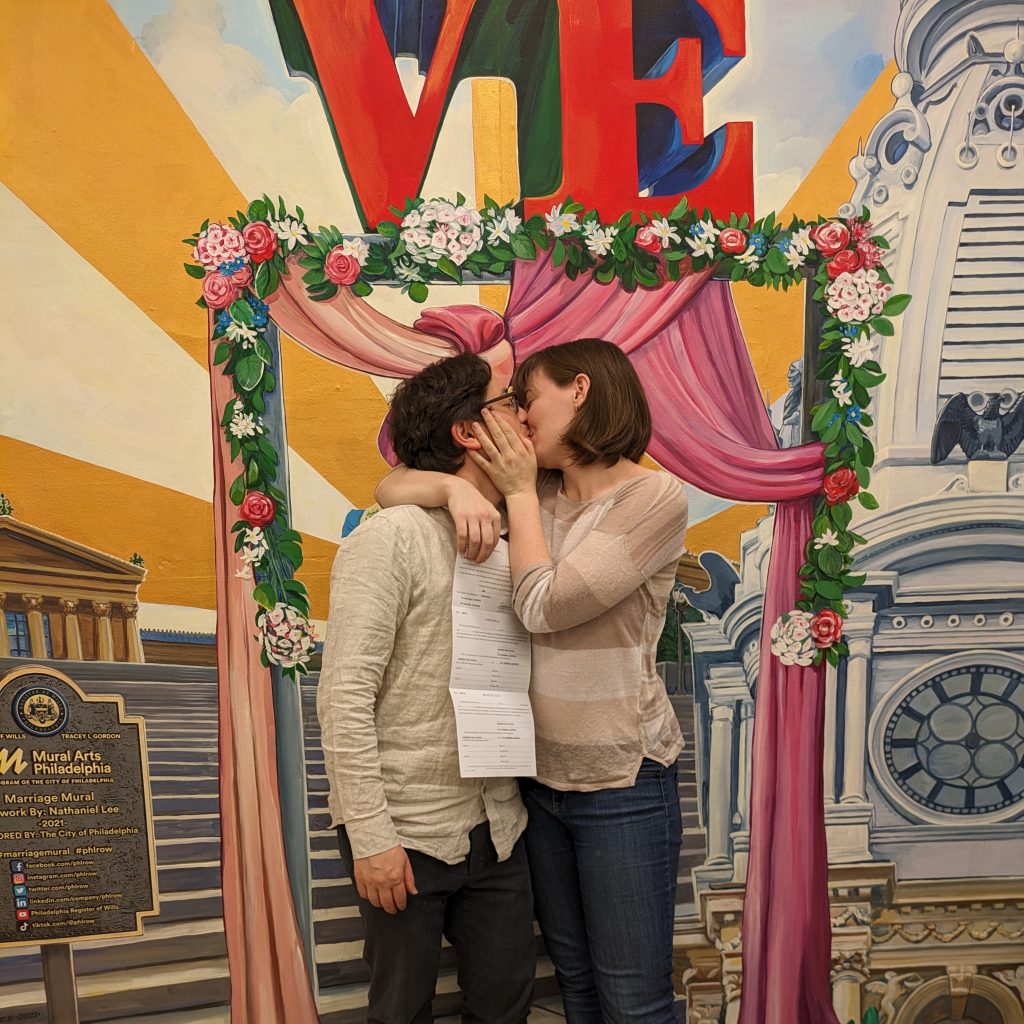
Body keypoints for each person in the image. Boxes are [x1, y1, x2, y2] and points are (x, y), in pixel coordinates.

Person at [376, 338, 689, 1024]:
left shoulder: (653, 496)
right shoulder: (538, 489)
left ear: (579, 390)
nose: (518, 417)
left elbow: (544, 605)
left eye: (528, 398)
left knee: (634, 1000)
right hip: (537, 786)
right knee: (574, 984)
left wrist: (514, 492)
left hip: (620, 780)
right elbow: (390, 486)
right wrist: (459, 486)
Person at [317, 351, 536, 1024]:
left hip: (499, 827)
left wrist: (449, 488)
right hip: (406, 830)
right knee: (400, 1012)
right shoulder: (392, 540)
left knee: (506, 1010)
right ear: (468, 432)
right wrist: (373, 838)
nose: (525, 415)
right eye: (508, 403)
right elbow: (344, 695)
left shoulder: (520, 533)